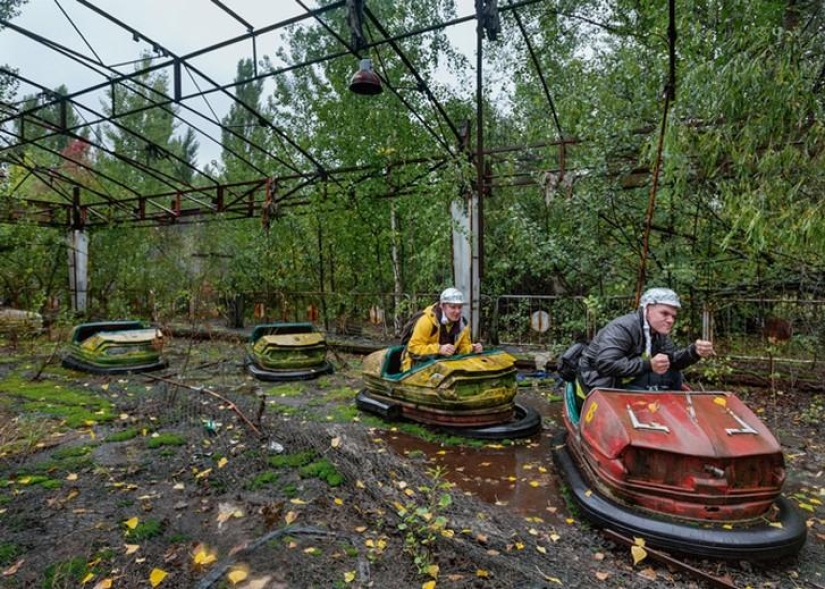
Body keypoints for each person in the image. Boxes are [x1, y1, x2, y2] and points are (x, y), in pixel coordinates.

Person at [576, 287, 714, 399]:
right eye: (664, 313)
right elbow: (605, 364)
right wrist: (648, 364)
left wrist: (694, 352)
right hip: (597, 379)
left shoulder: (659, 332)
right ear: (647, 309)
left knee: (673, 374)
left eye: (673, 316)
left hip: (625, 376)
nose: (671, 320)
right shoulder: (623, 328)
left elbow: (673, 362)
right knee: (650, 381)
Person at [401, 287, 483, 371]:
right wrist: (439, 349)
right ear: (442, 306)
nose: (457, 311)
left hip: (445, 365)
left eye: (459, 307)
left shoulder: (463, 325)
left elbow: (461, 349)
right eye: (453, 307)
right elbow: (413, 349)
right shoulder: (427, 321)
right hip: (416, 367)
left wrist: (472, 348)